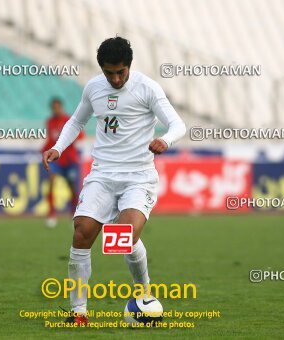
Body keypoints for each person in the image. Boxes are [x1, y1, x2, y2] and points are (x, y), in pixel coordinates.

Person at [42, 36, 186, 325]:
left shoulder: (147, 88)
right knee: (81, 231)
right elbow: (77, 121)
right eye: (110, 73)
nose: (116, 78)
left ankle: (143, 292)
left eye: (120, 72)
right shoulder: (94, 88)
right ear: (102, 69)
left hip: (138, 177)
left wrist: (165, 140)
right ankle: (78, 313)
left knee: (124, 236)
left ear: (129, 66)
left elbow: (177, 124)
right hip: (103, 173)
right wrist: (58, 146)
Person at [41, 98, 84, 227]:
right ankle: (51, 214)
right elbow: (50, 140)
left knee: (72, 187)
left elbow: (80, 135)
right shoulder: (50, 122)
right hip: (56, 159)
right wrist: (44, 150)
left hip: (69, 159)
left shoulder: (69, 120)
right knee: (51, 181)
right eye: (53, 108)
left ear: (61, 107)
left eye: (57, 107)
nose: (56, 110)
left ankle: (74, 213)